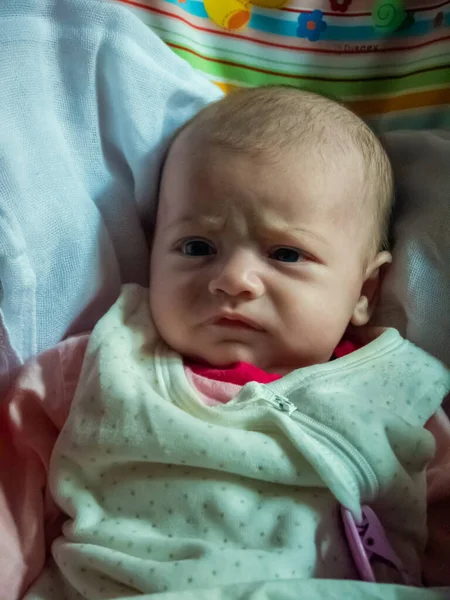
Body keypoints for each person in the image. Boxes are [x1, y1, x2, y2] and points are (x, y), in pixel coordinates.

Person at [2, 87, 449, 600]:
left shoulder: (395, 390)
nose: (234, 279)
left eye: (285, 253)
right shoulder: (106, 365)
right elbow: (11, 489)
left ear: (365, 291)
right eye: (197, 247)